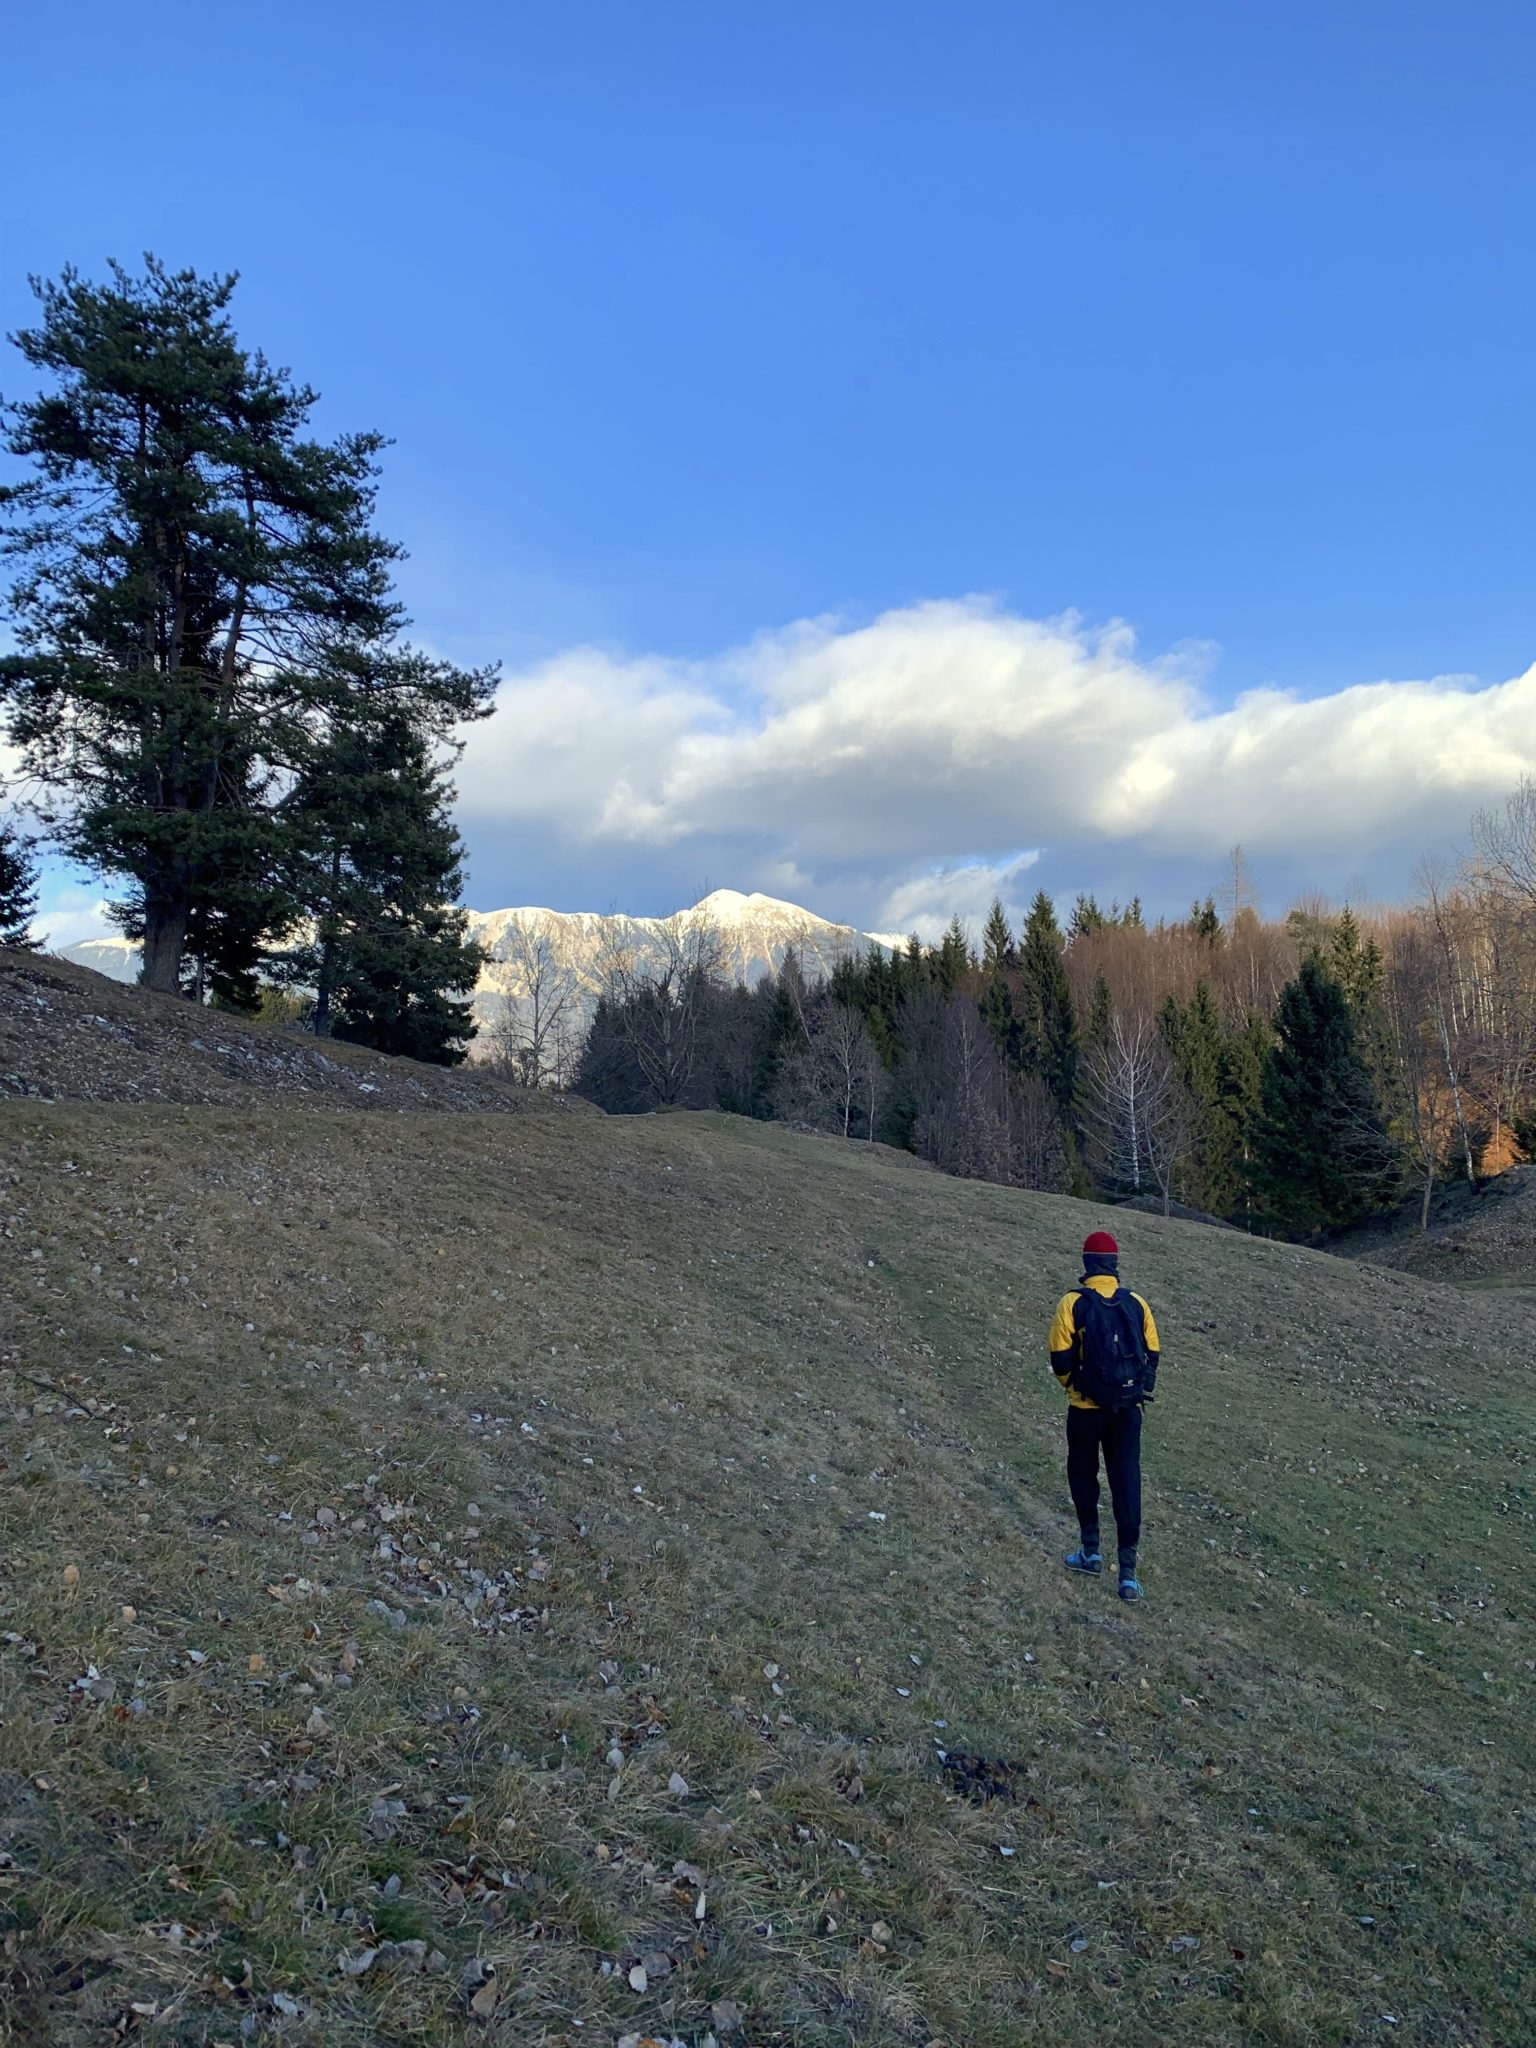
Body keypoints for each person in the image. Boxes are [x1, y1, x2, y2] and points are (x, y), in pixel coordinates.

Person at [1047, 1229, 1160, 1601]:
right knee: (1127, 1481)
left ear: (1086, 1263)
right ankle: (1128, 1574)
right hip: (1128, 1411)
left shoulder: (1072, 1303)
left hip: (1085, 1411)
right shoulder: (1137, 1303)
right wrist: (1136, 1389)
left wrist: (1076, 1388)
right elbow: (1153, 1353)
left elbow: (1060, 1358)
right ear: (1114, 1264)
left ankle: (1090, 1552)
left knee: (1082, 1475)